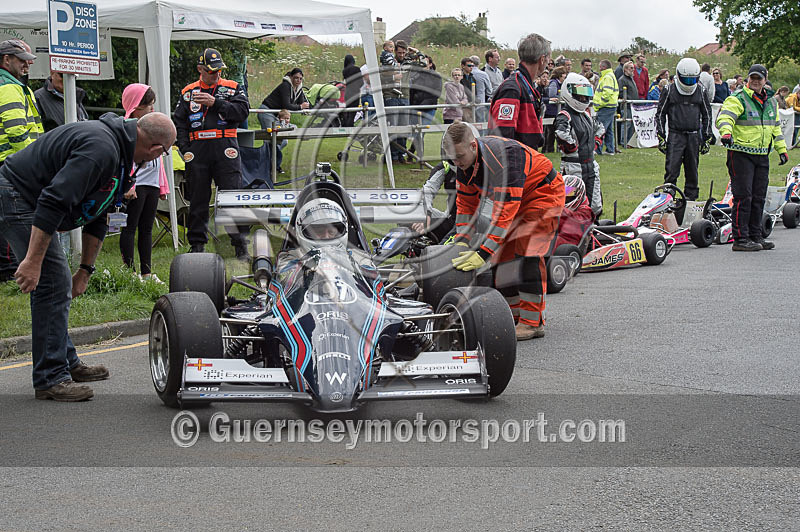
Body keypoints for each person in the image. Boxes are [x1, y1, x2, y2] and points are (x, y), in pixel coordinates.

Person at [0, 112, 176, 400]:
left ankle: (64, 362)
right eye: (162, 155)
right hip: (19, 195)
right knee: (53, 284)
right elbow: (53, 201)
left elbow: (100, 211)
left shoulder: (119, 153)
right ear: (156, 150)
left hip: (35, 201)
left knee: (57, 284)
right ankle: (50, 378)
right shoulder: (101, 149)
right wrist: (32, 262)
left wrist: (85, 270)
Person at [442, 122, 565, 340]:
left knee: (528, 252)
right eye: (452, 158)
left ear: (473, 145)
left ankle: (532, 322)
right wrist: (461, 241)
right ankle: (513, 314)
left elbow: (504, 216)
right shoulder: (463, 164)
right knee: (503, 256)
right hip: (516, 198)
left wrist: (482, 253)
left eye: (459, 157)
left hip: (543, 194)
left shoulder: (505, 159)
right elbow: (465, 205)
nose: (456, 163)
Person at [173, 48, 251, 259]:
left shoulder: (233, 87)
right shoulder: (188, 92)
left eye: (218, 70)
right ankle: (197, 244)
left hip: (225, 145)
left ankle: (240, 243)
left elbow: (243, 112)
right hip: (198, 149)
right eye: (211, 71)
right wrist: (184, 147)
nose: (216, 74)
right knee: (198, 197)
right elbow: (179, 122)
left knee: (232, 196)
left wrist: (215, 103)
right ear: (200, 69)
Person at [717, 64, 789, 251]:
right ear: (748, 80)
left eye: (759, 78)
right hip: (740, 154)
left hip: (762, 154)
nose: (755, 81)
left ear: (765, 80)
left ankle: (756, 236)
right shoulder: (738, 98)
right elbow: (725, 117)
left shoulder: (772, 102)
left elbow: (775, 129)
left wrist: (782, 150)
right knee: (743, 196)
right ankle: (740, 240)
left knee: (759, 196)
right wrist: (726, 133)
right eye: (752, 78)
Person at [0, 40, 42, 286]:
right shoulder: (7, 86)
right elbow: (16, 131)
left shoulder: (14, 85)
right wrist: (33, 162)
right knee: (12, 216)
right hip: (13, 162)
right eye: (22, 59)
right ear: (6, 60)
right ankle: (8, 271)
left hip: (12, 161)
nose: (28, 63)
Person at [119, 84, 168, 282]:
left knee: (147, 228)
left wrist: (162, 185)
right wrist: (127, 185)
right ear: (136, 107)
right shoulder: (126, 128)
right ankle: (129, 271)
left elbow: (160, 158)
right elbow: (123, 159)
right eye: (149, 106)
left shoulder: (153, 127)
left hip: (152, 184)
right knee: (130, 227)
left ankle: (146, 272)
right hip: (135, 184)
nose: (153, 110)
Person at [655, 58, 712, 209]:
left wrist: (706, 137)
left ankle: (691, 202)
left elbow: (707, 114)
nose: (688, 82)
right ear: (679, 76)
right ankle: (667, 200)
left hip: (694, 135)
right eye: (686, 79)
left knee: (692, 170)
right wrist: (661, 136)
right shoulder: (669, 90)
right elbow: (660, 113)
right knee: (671, 170)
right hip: (675, 135)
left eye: (692, 79)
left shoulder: (701, 90)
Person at [489, 33, 552, 150]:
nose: (548, 65)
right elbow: (502, 138)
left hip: (527, 158)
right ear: (542, 59)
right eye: (548, 60)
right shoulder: (512, 89)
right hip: (515, 163)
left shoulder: (525, 85)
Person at [555, 72, 605, 216]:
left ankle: (594, 230)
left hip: (591, 164)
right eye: (580, 94)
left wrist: (594, 143)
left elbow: (600, 128)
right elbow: (560, 133)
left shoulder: (587, 114)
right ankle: (571, 231)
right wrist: (574, 147)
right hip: (573, 166)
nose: (583, 98)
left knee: (595, 205)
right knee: (571, 203)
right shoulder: (564, 115)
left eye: (586, 94)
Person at [380, 40, 412, 163]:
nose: (402, 55)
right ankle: (392, 156)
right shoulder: (386, 63)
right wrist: (393, 77)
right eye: (399, 52)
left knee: (404, 127)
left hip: (404, 97)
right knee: (392, 127)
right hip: (391, 97)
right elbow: (380, 77)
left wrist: (415, 51)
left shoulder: (408, 62)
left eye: (404, 52)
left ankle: (402, 154)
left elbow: (423, 62)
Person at [593, 59, 619, 155]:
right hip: (610, 106)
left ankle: (597, 149)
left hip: (606, 106)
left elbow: (607, 92)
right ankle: (610, 149)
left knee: (600, 128)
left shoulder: (607, 77)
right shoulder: (610, 76)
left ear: (603, 67)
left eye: (600, 66)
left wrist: (600, 103)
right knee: (608, 130)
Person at [543, 66, 567, 153]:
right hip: (551, 111)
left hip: (557, 110)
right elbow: (552, 95)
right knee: (550, 132)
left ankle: (554, 149)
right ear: (560, 75)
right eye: (564, 74)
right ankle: (549, 149)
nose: (565, 76)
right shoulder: (553, 83)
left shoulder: (562, 84)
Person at [617, 60, 638, 147]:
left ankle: (629, 143)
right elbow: (621, 93)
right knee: (626, 124)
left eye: (633, 68)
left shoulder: (631, 79)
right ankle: (624, 142)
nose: (633, 70)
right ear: (625, 69)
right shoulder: (622, 80)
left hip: (633, 106)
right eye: (631, 68)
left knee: (631, 125)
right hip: (626, 106)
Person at [469, 54, 492, 123]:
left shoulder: (466, 73)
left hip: (468, 102)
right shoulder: (483, 74)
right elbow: (489, 90)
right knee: (480, 124)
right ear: (478, 63)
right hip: (480, 102)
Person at [341, 54, 363, 128]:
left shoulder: (344, 71)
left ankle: (346, 125)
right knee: (353, 112)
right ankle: (350, 126)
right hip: (355, 92)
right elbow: (361, 82)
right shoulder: (357, 69)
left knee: (348, 110)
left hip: (347, 92)